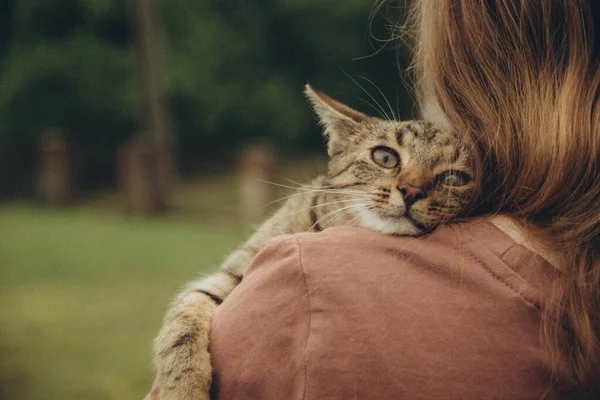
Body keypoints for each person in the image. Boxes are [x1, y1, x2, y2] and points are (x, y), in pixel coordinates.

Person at [147, 0, 600, 398]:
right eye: (386, 157)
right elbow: (213, 292)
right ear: (338, 145)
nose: (412, 186)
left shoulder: (310, 283)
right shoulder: (306, 218)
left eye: (453, 177)